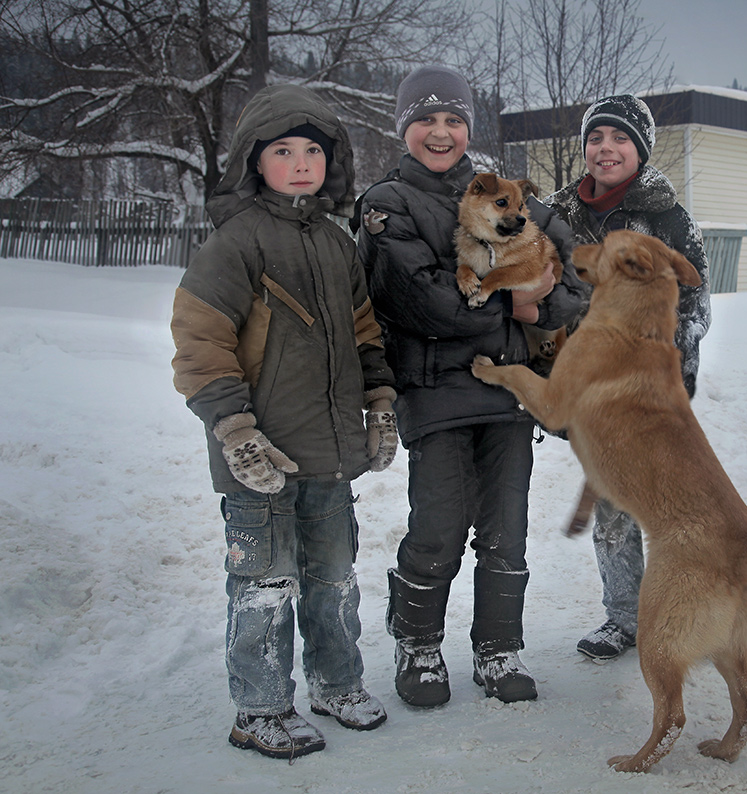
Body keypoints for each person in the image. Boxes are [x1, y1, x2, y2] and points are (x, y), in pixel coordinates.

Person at [171, 83, 399, 759]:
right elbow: (199, 341)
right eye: (282, 151)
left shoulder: (335, 244)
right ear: (253, 160)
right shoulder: (235, 243)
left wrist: (380, 405)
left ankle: (336, 682)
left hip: (329, 456)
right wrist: (235, 431)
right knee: (265, 583)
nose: (301, 162)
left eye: (313, 151)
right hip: (261, 460)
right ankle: (261, 706)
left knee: (333, 577)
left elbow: (364, 334)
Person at [354, 66, 586, 707]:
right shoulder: (387, 203)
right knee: (438, 527)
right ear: (405, 128)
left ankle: (498, 648)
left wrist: (540, 311)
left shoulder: (511, 196)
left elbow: (577, 286)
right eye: (426, 120)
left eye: (453, 120)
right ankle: (419, 646)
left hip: (509, 392)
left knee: (507, 528)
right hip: (434, 393)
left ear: (469, 129)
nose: (440, 132)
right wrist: (515, 302)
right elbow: (420, 301)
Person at [544, 94, 712, 661]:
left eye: (619, 139)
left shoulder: (666, 218)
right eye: (596, 138)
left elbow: (692, 313)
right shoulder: (557, 214)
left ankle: (677, 613)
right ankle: (624, 618)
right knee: (613, 507)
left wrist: (672, 393)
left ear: (639, 149)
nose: (605, 149)